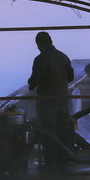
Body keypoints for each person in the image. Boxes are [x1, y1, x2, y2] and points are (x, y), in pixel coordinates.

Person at [27, 31, 74, 172]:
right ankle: (63, 161)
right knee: (63, 131)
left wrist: (30, 82)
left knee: (49, 133)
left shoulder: (40, 59)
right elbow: (70, 77)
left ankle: (51, 163)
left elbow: (35, 80)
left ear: (39, 44)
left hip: (48, 101)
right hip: (63, 100)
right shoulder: (63, 56)